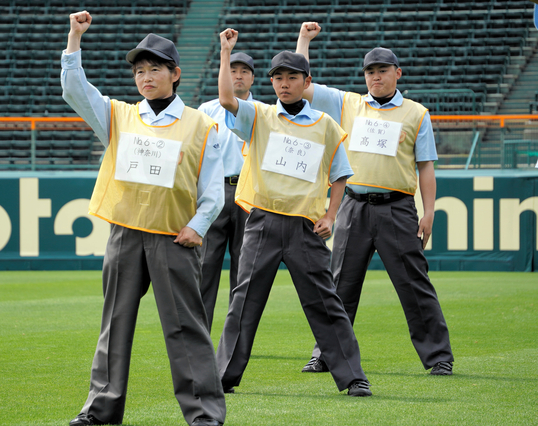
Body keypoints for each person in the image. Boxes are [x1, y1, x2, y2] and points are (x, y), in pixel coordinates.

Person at [61, 11, 226, 426]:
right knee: (114, 325)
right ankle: (99, 410)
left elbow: (213, 192)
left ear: (175, 74)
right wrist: (74, 39)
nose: (145, 76)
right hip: (125, 235)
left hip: (174, 238)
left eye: (154, 69)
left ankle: (204, 414)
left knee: (186, 329)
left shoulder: (203, 126)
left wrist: (198, 226)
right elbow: (76, 92)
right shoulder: (119, 116)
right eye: (139, 70)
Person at [214, 28, 372, 397]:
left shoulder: (326, 127)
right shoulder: (259, 116)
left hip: (306, 228)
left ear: (307, 82)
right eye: (278, 78)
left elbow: (339, 176)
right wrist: (226, 53)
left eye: (292, 77)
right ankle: (222, 376)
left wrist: (331, 216)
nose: (284, 84)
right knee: (243, 302)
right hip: (262, 222)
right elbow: (225, 99)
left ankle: (352, 377)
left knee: (326, 303)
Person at [295, 22, 454, 376]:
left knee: (414, 284)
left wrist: (428, 213)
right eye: (370, 71)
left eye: (382, 70)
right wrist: (304, 40)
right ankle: (326, 353)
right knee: (337, 285)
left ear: (397, 73)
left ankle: (439, 357)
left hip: (397, 209)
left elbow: (425, 167)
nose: (375, 77)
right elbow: (303, 85)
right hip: (353, 205)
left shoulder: (416, 113)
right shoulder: (349, 104)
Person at [198, 52, 257, 332]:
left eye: (245, 71)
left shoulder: (265, 112)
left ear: (253, 78)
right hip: (215, 190)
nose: (238, 75)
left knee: (244, 270)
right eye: (233, 70)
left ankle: (236, 336)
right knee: (205, 266)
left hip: (249, 193)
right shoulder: (207, 110)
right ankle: (200, 331)